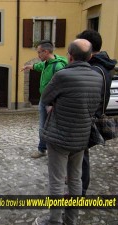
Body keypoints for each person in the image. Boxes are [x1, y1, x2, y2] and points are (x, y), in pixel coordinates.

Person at [35, 39, 103, 225]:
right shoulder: (98, 76)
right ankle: (71, 219)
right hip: (81, 137)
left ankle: (54, 220)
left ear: (70, 56)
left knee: (57, 181)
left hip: (59, 137)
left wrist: (55, 106)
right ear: (90, 56)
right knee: (75, 179)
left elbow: (46, 97)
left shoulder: (63, 75)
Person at [76, 29, 117, 196]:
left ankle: (80, 191)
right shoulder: (103, 65)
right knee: (81, 156)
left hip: (86, 120)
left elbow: (82, 98)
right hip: (94, 116)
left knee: (81, 158)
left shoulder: (93, 70)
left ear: (87, 47)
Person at [21, 40, 67, 158]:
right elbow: (39, 66)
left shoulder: (58, 66)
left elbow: (62, 87)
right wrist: (29, 66)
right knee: (44, 126)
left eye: (39, 52)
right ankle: (44, 149)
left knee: (47, 126)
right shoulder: (47, 63)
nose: (38, 55)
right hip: (44, 100)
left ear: (46, 52)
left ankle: (46, 150)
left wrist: (52, 103)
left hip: (51, 102)